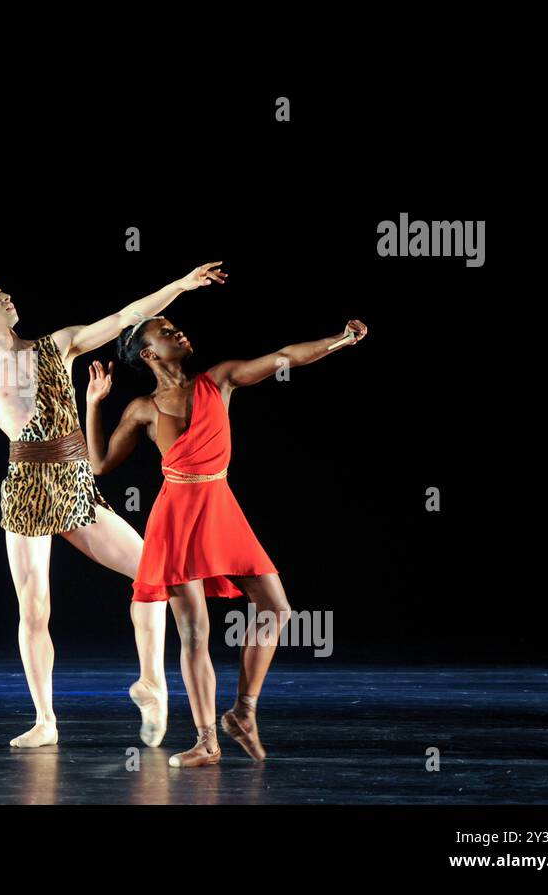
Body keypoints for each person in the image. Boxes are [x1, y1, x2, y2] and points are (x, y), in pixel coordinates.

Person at [0, 266, 227, 748]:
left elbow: (125, 316)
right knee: (34, 609)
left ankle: (152, 683)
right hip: (26, 492)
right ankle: (45, 721)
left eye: (4, 289)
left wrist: (179, 286)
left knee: (155, 574)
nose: (7, 296)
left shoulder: (59, 345)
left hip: (74, 483)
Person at [84, 314, 367, 765]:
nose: (178, 331)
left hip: (220, 506)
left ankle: (243, 713)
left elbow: (284, 357)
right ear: (148, 352)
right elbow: (99, 464)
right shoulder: (142, 407)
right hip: (175, 517)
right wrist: (94, 402)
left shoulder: (219, 380)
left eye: (177, 325)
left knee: (277, 609)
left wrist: (341, 341)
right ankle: (207, 742)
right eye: (165, 330)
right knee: (195, 632)